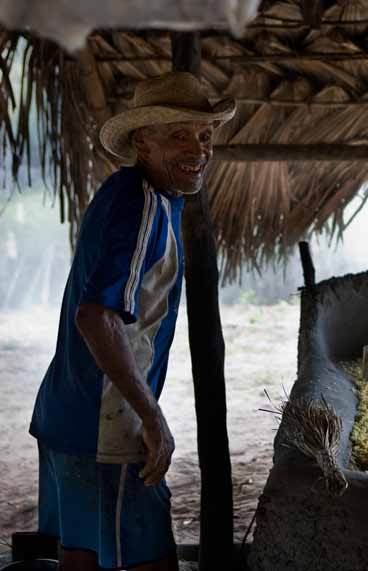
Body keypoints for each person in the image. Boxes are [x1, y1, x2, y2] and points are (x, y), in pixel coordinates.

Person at [29, 72, 235, 571]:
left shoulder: (128, 194)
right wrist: (153, 418)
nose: (199, 149)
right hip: (107, 427)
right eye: (178, 134)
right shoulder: (143, 203)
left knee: (83, 555)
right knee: (147, 561)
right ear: (142, 140)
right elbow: (96, 316)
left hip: (65, 414)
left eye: (205, 135)